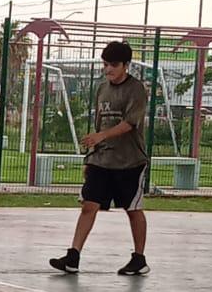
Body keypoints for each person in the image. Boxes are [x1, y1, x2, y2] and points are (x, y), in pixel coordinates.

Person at [49, 40, 149, 276]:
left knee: (132, 209)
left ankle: (139, 258)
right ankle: (73, 256)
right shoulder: (102, 89)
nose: (108, 69)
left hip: (129, 161)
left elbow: (129, 124)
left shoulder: (136, 89)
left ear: (125, 65)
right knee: (88, 205)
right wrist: (90, 155)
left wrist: (101, 135)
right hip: (101, 160)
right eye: (105, 64)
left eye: (113, 64)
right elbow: (98, 124)